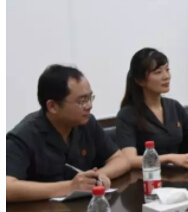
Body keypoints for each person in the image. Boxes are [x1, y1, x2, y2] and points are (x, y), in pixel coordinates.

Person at [6, 65, 130, 202]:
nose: (89, 106)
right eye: (81, 101)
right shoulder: (24, 135)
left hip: (83, 208)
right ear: (52, 106)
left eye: (90, 98)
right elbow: (7, 187)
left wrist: (95, 177)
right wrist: (70, 187)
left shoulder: (87, 123)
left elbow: (121, 160)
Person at [116, 48, 188, 169]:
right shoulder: (127, 114)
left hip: (177, 175)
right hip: (147, 177)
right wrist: (169, 158)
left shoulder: (174, 106)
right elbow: (129, 160)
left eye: (167, 70)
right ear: (140, 81)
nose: (166, 76)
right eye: (158, 72)